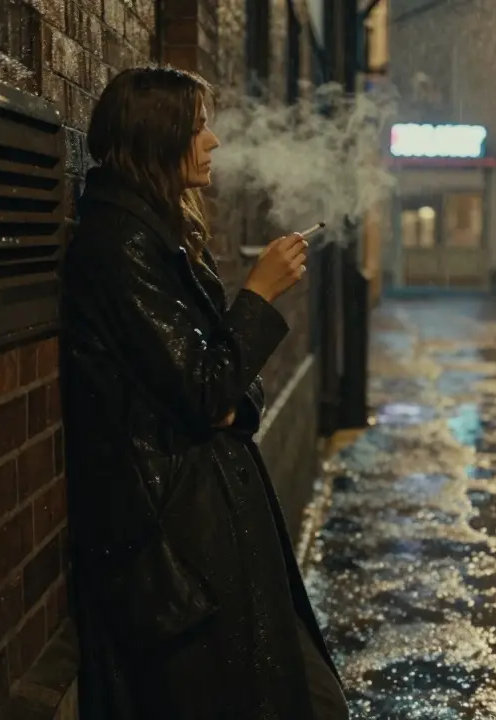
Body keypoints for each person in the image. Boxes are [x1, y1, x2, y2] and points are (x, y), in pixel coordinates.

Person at [60, 64, 350, 719]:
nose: (213, 142)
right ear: (161, 139)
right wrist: (261, 293)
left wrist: (224, 393)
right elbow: (204, 387)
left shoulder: (159, 236)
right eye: (198, 127)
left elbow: (220, 388)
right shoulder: (121, 246)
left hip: (206, 527)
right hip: (177, 547)